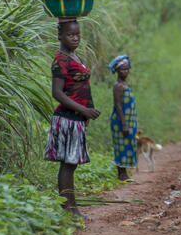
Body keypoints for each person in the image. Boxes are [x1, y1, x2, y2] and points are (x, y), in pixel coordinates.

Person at [44, 18, 101, 220]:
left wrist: (89, 109)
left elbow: (84, 86)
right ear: (60, 35)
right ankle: (69, 208)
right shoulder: (61, 60)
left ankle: (70, 206)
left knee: (72, 164)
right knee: (68, 164)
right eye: (70, 34)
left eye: (77, 34)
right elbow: (58, 93)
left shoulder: (75, 57)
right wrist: (84, 111)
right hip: (67, 118)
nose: (75, 38)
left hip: (77, 118)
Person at [108, 54, 138, 181]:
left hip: (128, 121)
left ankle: (124, 173)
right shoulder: (118, 86)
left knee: (127, 145)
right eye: (122, 69)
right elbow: (118, 106)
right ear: (117, 70)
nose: (125, 71)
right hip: (121, 121)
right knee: (121, 146)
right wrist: (124, 124)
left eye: (127, 69)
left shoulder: (124, 84)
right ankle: (121, 174)